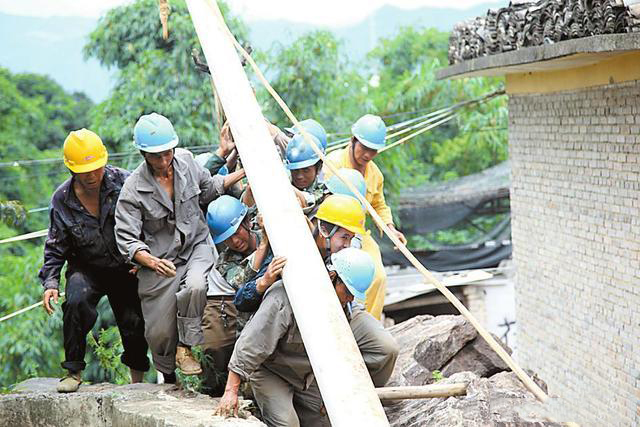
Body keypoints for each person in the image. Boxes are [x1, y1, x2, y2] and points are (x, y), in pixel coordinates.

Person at [114, 112, 244, 383]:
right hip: (159, 261)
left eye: (167, 153)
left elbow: (208, 190)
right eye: (155, 156)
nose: (163, 161)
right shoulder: (132, 190)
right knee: (159, 332)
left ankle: (186, 347)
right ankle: (167, 374)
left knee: (196, 286)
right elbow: (126, 239)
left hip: (195, 246)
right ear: (143, 155)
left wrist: (242, 173)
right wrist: (149, 261)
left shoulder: (185, 161)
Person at [234, 195, 398, 388]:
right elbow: (241, 301)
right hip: (298, 325)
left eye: (351, 237)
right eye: (344, 237)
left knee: (386, 348)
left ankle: (361, 393)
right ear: (324, 230)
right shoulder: (293, 252)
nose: (347, 244)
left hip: (340, 310)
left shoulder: (344, 253)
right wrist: (264, 282)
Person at [39, 129, 149, 393]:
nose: (91, 176)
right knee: (76, 302)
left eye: (96, 169)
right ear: (71, 169)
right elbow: (55, 245)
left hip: (126, 265)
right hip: (86, 267)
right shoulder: (62, 199)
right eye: (84, 171)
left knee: (134, 321)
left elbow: (149, 220)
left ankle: (137, 381)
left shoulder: (125, 181)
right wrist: (51, 281)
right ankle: (73, 372)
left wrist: (143, 255)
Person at [214, 248, 376, 426]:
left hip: (306, 375)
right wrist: (231, 391)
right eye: (347, 291)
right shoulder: (284, 297)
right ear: (331, 276)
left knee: (330, 419)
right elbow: (251, 344)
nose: (350, 298)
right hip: (270, 371)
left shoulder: (342, 306)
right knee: (287, 424)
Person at [324, 114, 408, 320]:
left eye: (374, 150)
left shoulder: (375, 174)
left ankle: (369, 324)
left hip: (358, 231)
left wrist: (390, 228)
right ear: (353, 140)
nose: (368, 154)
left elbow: (378, 204)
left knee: (378, 277)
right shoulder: (333, 163)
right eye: (364, 147)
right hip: (332, 230)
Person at [200, 195, 280, 396]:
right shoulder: (225, 262)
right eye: (228, 238)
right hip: (233, 305)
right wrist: (263, 246)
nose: (235, 241)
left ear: (246, 223)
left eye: (237, 232)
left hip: (269, 302)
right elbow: (243, 284)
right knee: (216, 349)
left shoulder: (271, 230)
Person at [284, 134, 329, 216]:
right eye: (295, 170)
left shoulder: (325, 191)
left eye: (306, 170)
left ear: (318, 167)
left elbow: (310, 200)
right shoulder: (284, 181)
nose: (299, 176)